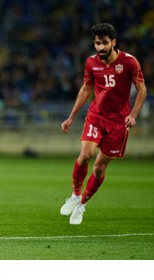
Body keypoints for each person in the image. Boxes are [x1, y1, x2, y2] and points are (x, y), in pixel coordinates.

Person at [60, 23, 147, 225]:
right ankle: (74, 195)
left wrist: (133, 115)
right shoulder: (91, 63)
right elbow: (85, 89)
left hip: (118, 123)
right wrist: (71, 116)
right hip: (96, 116)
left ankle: (81, 205)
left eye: (105, 43)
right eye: (97, 43)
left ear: (113, 42)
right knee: (85, 155)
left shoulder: (130, 62)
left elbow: (142, 90)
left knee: (99, 168)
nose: (100, 48)